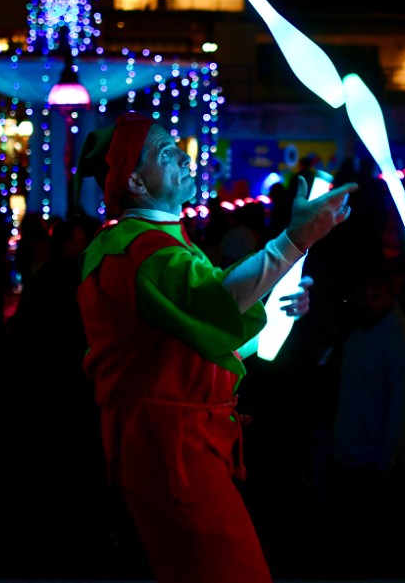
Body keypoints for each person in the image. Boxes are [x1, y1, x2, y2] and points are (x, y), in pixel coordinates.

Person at [73, 112, 357, 583]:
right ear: (136, 184)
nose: (183, 155)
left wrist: (272, 321)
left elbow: (199, 344)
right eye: (165, 153)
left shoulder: (150, 242)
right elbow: (218, 302)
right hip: (171, 452)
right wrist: (296, 239)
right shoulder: (142, 252)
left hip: (177, 446)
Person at [326, 265, 405, 566]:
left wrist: (387, 458)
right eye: (363, 296)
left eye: (375, 295)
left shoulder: (399, 344)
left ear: (389, 297)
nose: (368, 302)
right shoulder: (357, 335)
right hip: (351, 454)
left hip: (376, 461)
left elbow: (403, 405)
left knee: (374, 547)